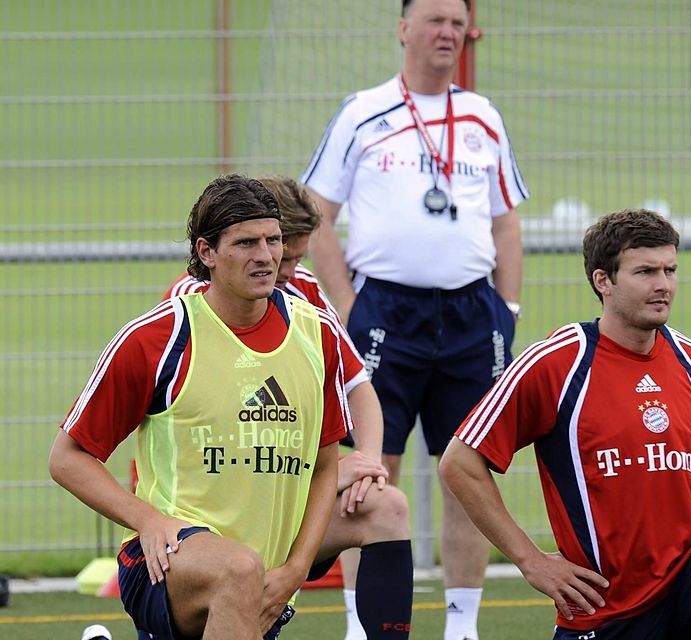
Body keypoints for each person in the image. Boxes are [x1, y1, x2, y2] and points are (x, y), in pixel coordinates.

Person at [439, 209, 691, 639]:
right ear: (602, 281)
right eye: (645, 271)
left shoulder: (690, 359)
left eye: (670, 270)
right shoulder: (558, 363)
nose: (663, 284)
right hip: (606, 608)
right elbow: (459, 463)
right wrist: (531, 560)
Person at [301, 1, 528, 638]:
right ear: (403, 28)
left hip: (470, 315)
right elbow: (315, 213)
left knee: (467, 471)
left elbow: (507, 222)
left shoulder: (482, 117)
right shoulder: (363, 112)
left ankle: (462, 626)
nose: (447, 33)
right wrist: (347, 306)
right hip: (383, 313)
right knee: (371, 469)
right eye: (434, 20)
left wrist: (506, 311)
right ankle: (361, 623)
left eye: (457, 23)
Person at [50, 174, 347, 640]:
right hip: (163, 562)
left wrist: (296, 570)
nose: (266, 256)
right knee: (240, 568)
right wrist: (148, 519)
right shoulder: (158, 339)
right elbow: (67, 458)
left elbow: (326, 466)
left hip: (264, 579)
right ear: (206, 253)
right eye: (246, 243)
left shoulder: (318, 336)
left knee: (248, 568)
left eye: (274, 240)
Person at [166, 176, 413, 640]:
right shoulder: (192, 304)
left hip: (286, 493)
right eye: (258, 245)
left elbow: (360, 387)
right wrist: (312, 474)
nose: (282, 266)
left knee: (387, 505)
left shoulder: (306, 297)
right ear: (215, 250)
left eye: (288, 252)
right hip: (209, 508)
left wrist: (368, 462)